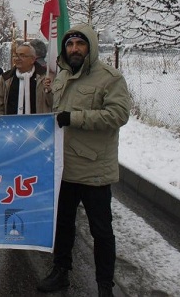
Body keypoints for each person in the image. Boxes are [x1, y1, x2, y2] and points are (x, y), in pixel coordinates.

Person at [37, 25, 130, 296]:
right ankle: (61, 271)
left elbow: (118, 115)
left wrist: (74, 118)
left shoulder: (110, 78)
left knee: (101, 231)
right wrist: (48, 94)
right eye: (70, 45)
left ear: (90, 46)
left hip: (94, 169)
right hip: (64, 167)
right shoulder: (63, 75)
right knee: (63, 225)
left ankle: (104, 285)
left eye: (80, 44)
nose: (74, 49)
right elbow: (57, 111)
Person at [0, 42, 52, 115]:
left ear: (32, 59)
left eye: (22, 55)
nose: (17, 58)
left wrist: (49, 91)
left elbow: (53, 103)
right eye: (16, 55)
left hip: (38, 121)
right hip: (11, 121)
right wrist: (1, 120)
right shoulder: (5, 78)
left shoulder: (45, 77)